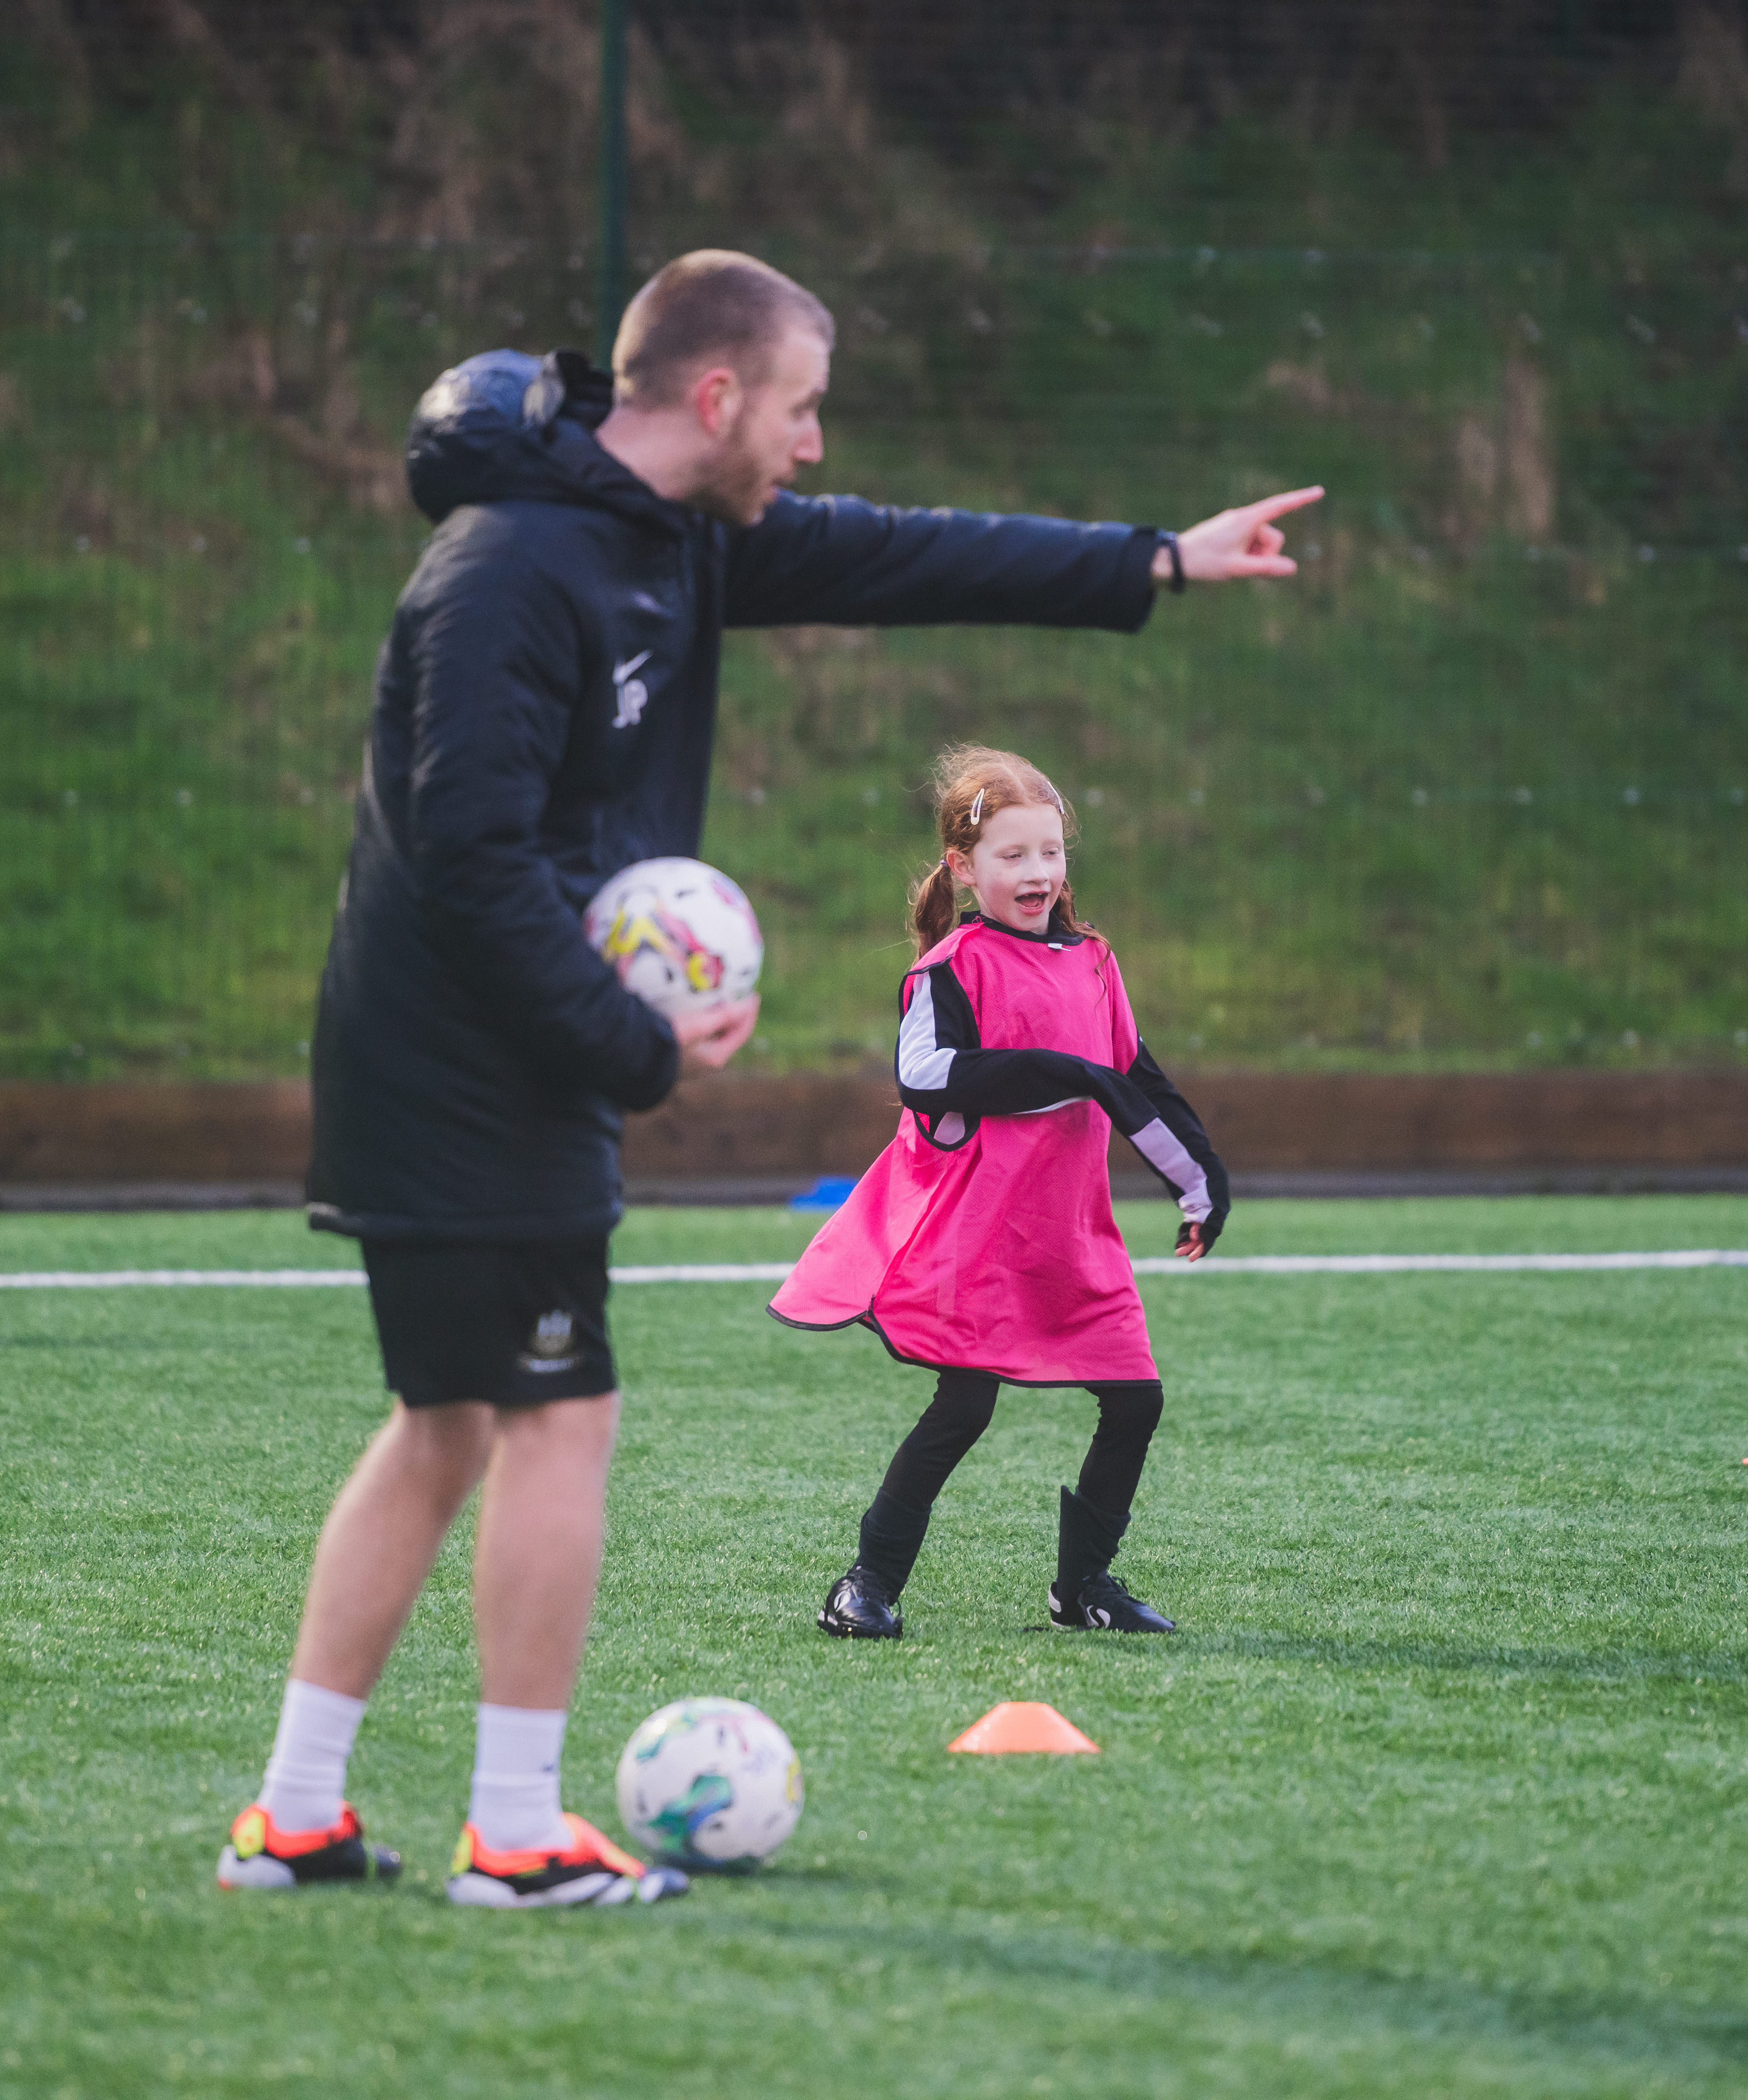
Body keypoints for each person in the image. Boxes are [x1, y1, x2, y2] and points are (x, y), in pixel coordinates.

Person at [221, 250, 1319, 1906]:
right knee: (555, 1421)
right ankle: (514, 1833)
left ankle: (298, 1813)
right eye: (800, 407)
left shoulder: (670, 540)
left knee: (447, 1425)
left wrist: (1153, 559)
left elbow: (901, 551)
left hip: (475, 1064)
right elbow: (465, 852)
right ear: (718, 397)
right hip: (465, 1072)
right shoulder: (512, 572)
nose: (812, 446)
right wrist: (632, 1048)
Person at [771, 746, 1229, 1641]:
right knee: (965, 1405)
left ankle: (1084, 1587)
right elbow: (927, 1075)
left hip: (1070, 1237)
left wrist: (1200, 1180)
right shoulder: (950, 968)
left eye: (1052, 852)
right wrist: (1064, 1072)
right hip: (972, 1238)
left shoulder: (1096, 963)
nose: (1039, 873)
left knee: (1136, 1401)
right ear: (963, 867)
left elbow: (1135, 1078)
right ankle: (865, 1584)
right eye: (1014, 855)